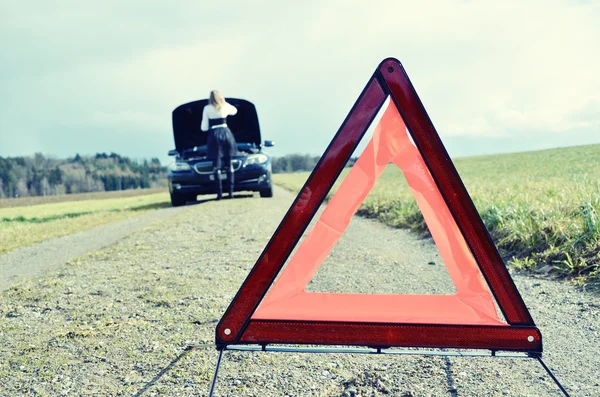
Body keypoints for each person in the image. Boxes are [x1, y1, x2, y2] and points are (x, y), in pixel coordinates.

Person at [200, 90, 238, 200]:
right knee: (229, 164)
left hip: (214, 136)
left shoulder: (207, 109)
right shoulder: (224, 106)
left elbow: (204, 128)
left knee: (216, 166)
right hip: (226, 134)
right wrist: (224, 102)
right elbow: (234, 111)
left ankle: (219, 194)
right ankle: (231, 193)